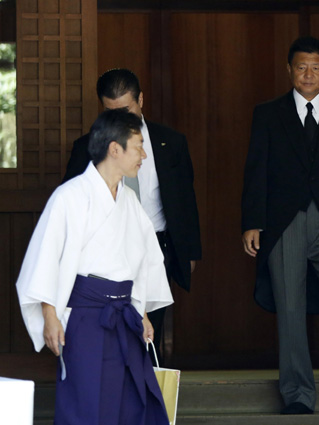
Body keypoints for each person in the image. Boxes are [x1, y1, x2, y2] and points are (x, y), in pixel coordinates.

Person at [16, 109, 173, 424]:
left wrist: (141, 313)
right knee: (85, 404)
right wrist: (50, 317)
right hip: (86, 319)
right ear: (115, 149)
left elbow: (143, 261)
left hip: (124, 319)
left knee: (133, 403)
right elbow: (45, 258)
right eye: (139, 145)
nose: (144, 154)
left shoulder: (129, 201)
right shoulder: (70, 197)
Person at [241, 36, 319, 415]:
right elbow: (255, 172)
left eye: (316, 67)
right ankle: (298, 392)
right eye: (301, 67)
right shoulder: (268, 113)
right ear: (290, 70)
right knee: (291, 309)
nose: (309, 74)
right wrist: (252, 222)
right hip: (285, 221)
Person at [63, 69, 202, 363]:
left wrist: (188, 251)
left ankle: (144, 397)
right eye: (111, 113)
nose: (120, 121)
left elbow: (184, 200)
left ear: (141, 99)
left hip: (159, 247)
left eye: (127, 110)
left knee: (150, 330)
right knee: (111, 332)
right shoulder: (86, 148)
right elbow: (71, 210)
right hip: (106, 256)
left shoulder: (171, 142)